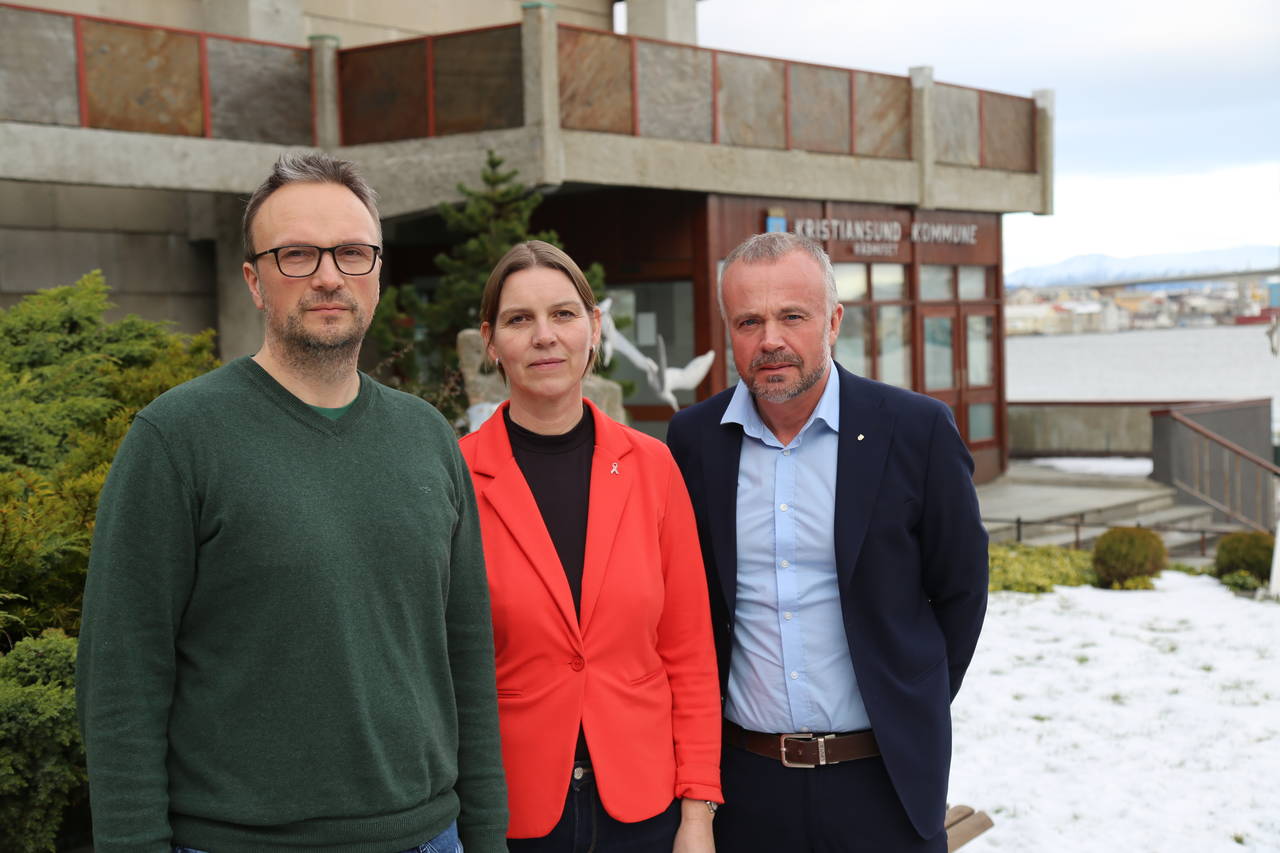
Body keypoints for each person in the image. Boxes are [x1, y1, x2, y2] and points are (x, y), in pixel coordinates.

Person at [76, 152, 507, 853]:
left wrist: (486, 838)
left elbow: (467, 664)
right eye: (297, 254)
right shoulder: (176, 438)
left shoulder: (427, 437)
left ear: (377, 271)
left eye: (351, 253)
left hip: (431, 837)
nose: (330, 275)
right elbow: (121, 682)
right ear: (253, 278)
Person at [666, 232, 989, 852]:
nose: (770, 341)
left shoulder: (915, 430)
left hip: (884, 781)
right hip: (745, 788)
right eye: (749, 321)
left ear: (834, 320)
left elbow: (962, 591)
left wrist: (908, 698)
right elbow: (693, 608)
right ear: (727, 329)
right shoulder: (694, 442)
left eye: (793, 316)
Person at [457, 241, 722, 852]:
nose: (545, 336)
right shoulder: (456, 477)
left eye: (564, 314)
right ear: (491, 341)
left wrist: (698, 813)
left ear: (594, 328)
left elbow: (688, 653)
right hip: (510, 815)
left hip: (645, 810)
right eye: (519, 320)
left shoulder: (652, 467)